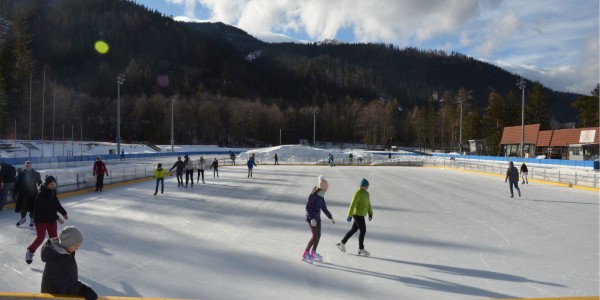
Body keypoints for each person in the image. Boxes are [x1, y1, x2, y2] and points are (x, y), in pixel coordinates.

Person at [41, 226, 98, 300]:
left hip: (63, 296)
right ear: (66, 244)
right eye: (75, 246)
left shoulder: (66, 253)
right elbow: (66, 282)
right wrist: (83, 290)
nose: (78, 248)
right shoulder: (55, 260)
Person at [26, 175, 68, 264]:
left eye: (54, 184)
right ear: (47, 184)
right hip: (41, 219)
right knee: (40, 238)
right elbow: (45, 209)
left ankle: (55, 253)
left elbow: (56, 204)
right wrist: (57, 218)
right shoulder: (41, 194)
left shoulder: (52, 192)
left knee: (54, 237)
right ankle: (30, 251)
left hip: (51, 219)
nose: (53, 186)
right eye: (51, 184)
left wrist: (64, 213)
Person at [336, 178, 373, 256]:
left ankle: (342, 243)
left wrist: (370, 213)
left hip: (361, 214)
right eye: (366, 186)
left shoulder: (367, 194)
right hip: (357, 214)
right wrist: (349, 215)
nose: (367, 187)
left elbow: (368, 204)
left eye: (368, 186)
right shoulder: (358, 193)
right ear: (362, 186)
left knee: (354, 229)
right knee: (363, 230)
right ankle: (361, 248)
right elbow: (352, 204)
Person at [302, 176, 334, 264]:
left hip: (317, 218)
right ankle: (305, 253)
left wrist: (330, 217)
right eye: (325, 190)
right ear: (320, 188)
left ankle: (313, 252)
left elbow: (324, 208)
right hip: (311, 218)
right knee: (315, 235)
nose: (326, 191)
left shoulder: (321, 196)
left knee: (318, 235)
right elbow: (308, 208)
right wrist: (312, 218)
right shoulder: (312, 195)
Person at [13, 161, 42, 227]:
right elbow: (17, 184)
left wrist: (44, 189)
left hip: (33, 193)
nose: (28, 167)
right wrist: (14, 192)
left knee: (33, 206)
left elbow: (40, 183)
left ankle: (32, 219)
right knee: (23, 206)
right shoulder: (21, 174)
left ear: (31, 166)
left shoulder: (36, 174)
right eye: (27, 166)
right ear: (25, 166)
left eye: (29, 166)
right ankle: (23, 218)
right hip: (23, 194)